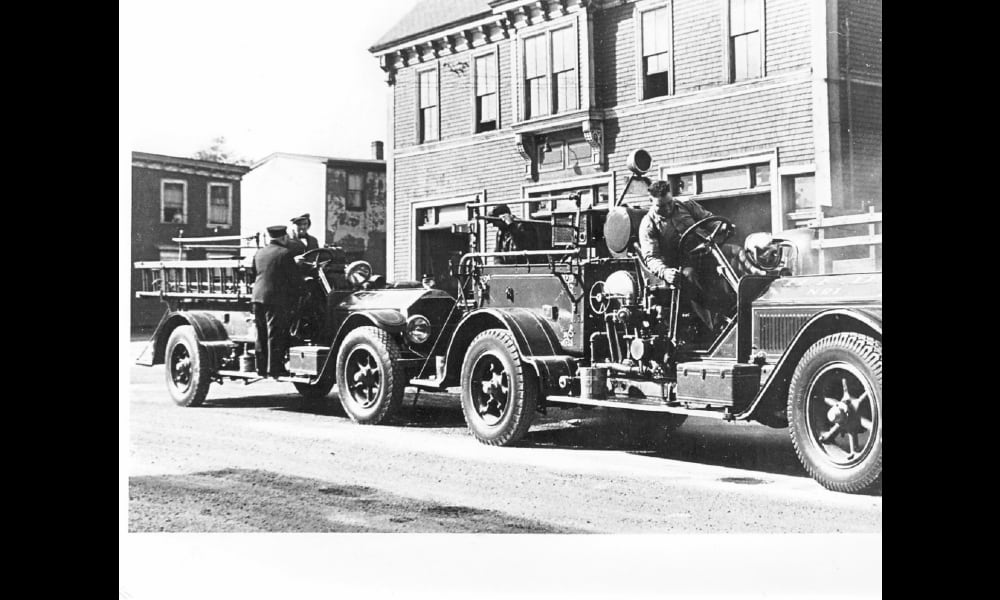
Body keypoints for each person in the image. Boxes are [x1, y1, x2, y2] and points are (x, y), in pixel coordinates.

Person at [638, 180, 731, 331]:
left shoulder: (687, 205)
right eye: (661, 206)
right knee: (689, 275)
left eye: (670, 203)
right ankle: (712, 328)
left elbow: (709, 219)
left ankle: (746, 306)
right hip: (680, 264)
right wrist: (665, 272)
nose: (668, 209)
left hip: (707, 252)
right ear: (651, 201)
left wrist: (721, 227)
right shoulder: (648, 224)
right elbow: (651, 258)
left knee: (737, 252)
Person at [252, 225, 302, 377]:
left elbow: (255, 272)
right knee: (275, 333)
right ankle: (275, 369)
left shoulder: (259, 253)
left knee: (261, 333)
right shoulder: (285, 253)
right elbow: (294, 278)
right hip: (276, 299)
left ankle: (261, 368)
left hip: (257, 297)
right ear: (284, 237)